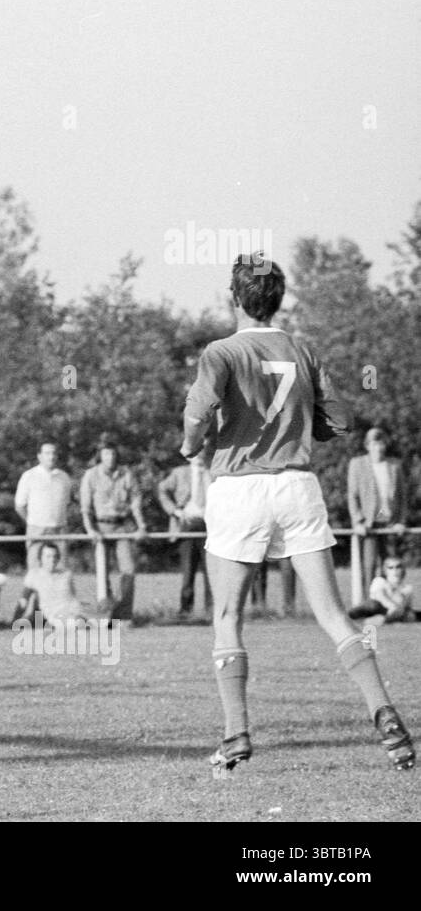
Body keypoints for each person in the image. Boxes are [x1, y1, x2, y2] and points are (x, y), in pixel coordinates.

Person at [182, 253, 413, 773]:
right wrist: (313, 429)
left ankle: (235, 733)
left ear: (234, 298)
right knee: (332, 614)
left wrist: (189, 445)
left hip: (240, 488)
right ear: (278, 300)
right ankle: (385, 713)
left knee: (227, 615)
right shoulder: (302, 349)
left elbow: (197, 412)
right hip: (297, 485)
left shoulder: (220, 351)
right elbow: (343, 419)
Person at [79, 438, 147, 621]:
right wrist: (90, 529)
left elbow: (135, 501)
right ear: (100, 456)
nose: (110, 457)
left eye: (113, 454)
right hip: (100, 527)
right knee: (102, 574)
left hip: (121, 526)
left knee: (129, 570)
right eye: (106, 454)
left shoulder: (127, 474)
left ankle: (123, 615)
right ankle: (104, 616)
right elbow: (85, 507)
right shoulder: (91, 475)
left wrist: (141, 526)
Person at [347, 426, 407, 590]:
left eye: (381, 444)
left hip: (390, 524)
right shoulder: (357, 464)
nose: (378, 448)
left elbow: (402, 498)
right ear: (367, 445)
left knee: (392, 566)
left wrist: (401, 521)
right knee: (369, 565)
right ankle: (369, 606)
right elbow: (352, 496)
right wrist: (358, 521)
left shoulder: (395, 466)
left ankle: (392, 605)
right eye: (374, 444)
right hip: (368, 524)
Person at [158, 448, 213, 617]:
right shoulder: (179, 473)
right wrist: (175, 511)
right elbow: (162, 490)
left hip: (211, 526)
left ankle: (212, 611)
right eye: (196, 453)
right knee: (188, 569)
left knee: (211, 571)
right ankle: (185, 611)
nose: (199, 456)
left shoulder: (215, 473)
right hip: (187, 524)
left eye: (202, 452)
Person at [16, 441, 73, 569]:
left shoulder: (64, 477)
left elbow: (67, 504)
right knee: (35, 569)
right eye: (47, 453)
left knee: (61, 569)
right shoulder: (29, 476)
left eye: (54, 453)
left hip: (60, 530)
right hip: (36, 530)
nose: (51, 456)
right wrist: (32, 522)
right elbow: (19, 506)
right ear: (39, 456)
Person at [12, 541, 85, 626]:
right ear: (40, 558)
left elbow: (73, 598)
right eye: (48, 556)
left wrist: (77, 612)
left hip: (70, 613)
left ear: (58, 558)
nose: (52, 560)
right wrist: (15, 622)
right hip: (50, 616)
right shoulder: (34, 575)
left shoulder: (66, 574)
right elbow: (23, 600)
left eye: (55, 556)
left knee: (82, 622)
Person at [348, 556, 414, 625]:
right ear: (385, 570)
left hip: (391, 613)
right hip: (373, 609)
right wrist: (392, 606)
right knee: (373, 605)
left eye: (398, 567)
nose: (395, 570)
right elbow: (380, 596)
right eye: (390, 567)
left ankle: (380, 620)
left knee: (409, 615)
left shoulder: (407, 588)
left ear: (403, 569)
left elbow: (406, 607)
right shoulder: (379, 581)